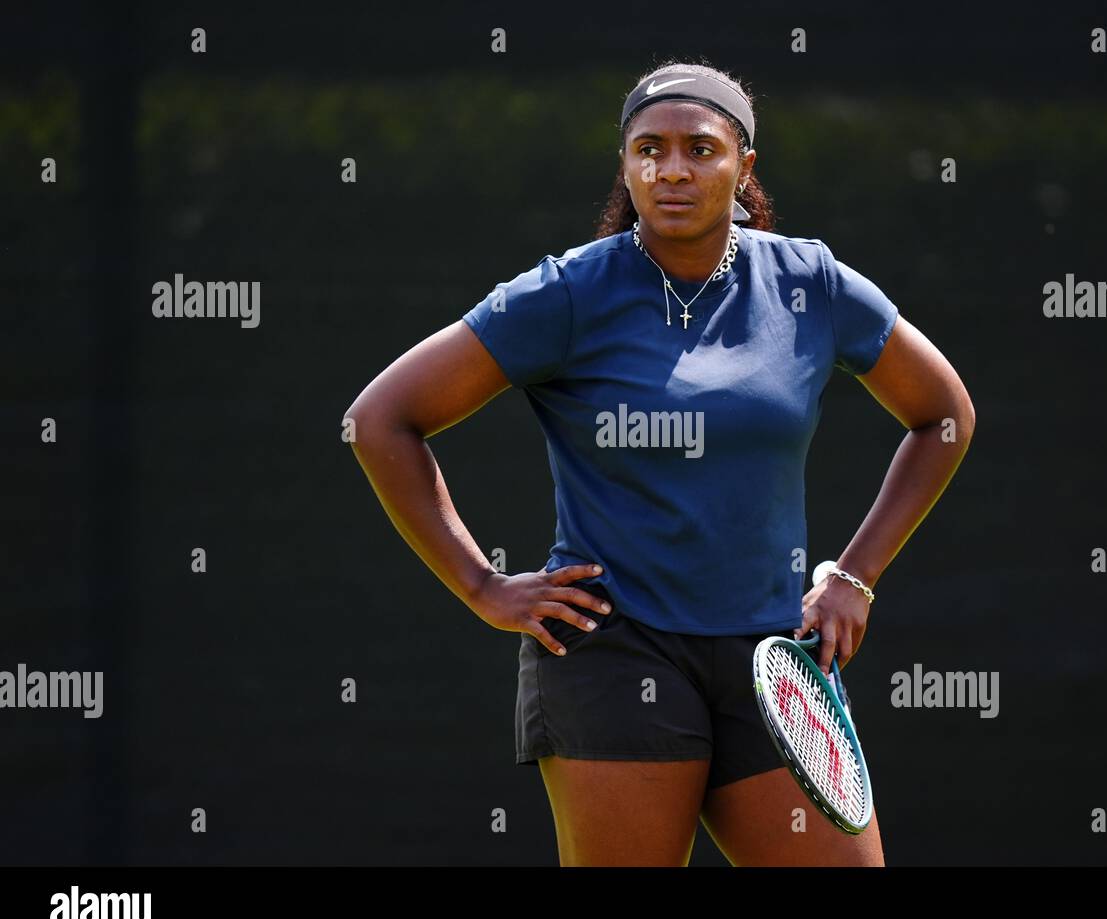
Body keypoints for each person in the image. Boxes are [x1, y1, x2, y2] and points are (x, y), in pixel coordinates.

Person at [344, 60, 975, 866]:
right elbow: (379, 421)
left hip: (776, 662)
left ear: (744, 167)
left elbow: (943, 417)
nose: (671, 168)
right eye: (649, 149)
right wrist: (481, 585)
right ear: (625, 165)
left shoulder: (808, 282)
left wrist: (854, 576)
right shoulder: (568, 293)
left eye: (699, 148)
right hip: (614, 655)